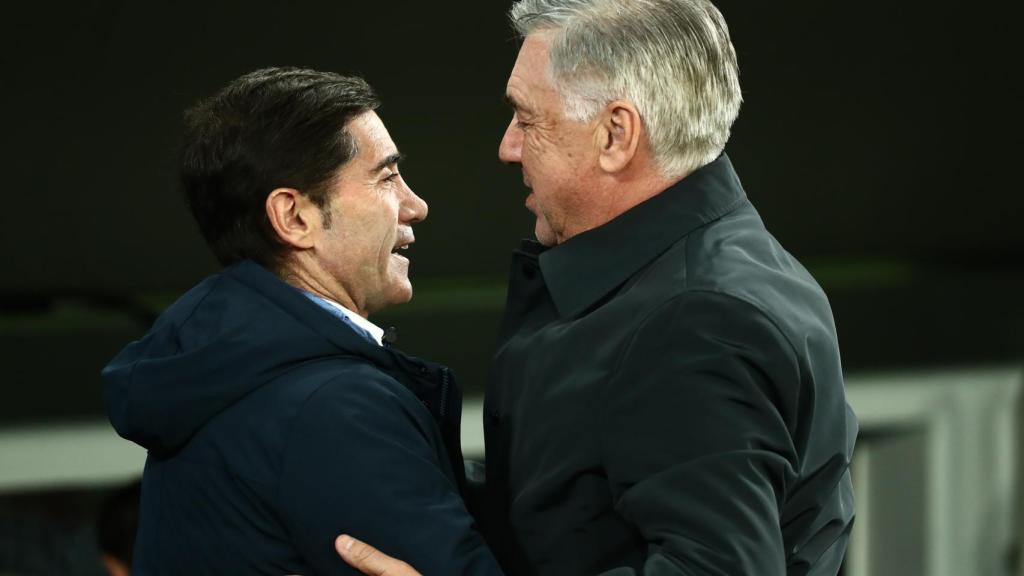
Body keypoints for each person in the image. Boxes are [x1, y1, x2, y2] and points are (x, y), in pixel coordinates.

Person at [339, 1, 857, 575]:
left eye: (528, 119)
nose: (507, 147)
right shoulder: (703, 266)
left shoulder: (695, 320)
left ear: (616, 134)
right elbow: (569, 515)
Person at [102, 67, 502, 575]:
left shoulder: (222, 381)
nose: (415, 205)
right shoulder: (332, 407)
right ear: (293, 218)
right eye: (386, 176)